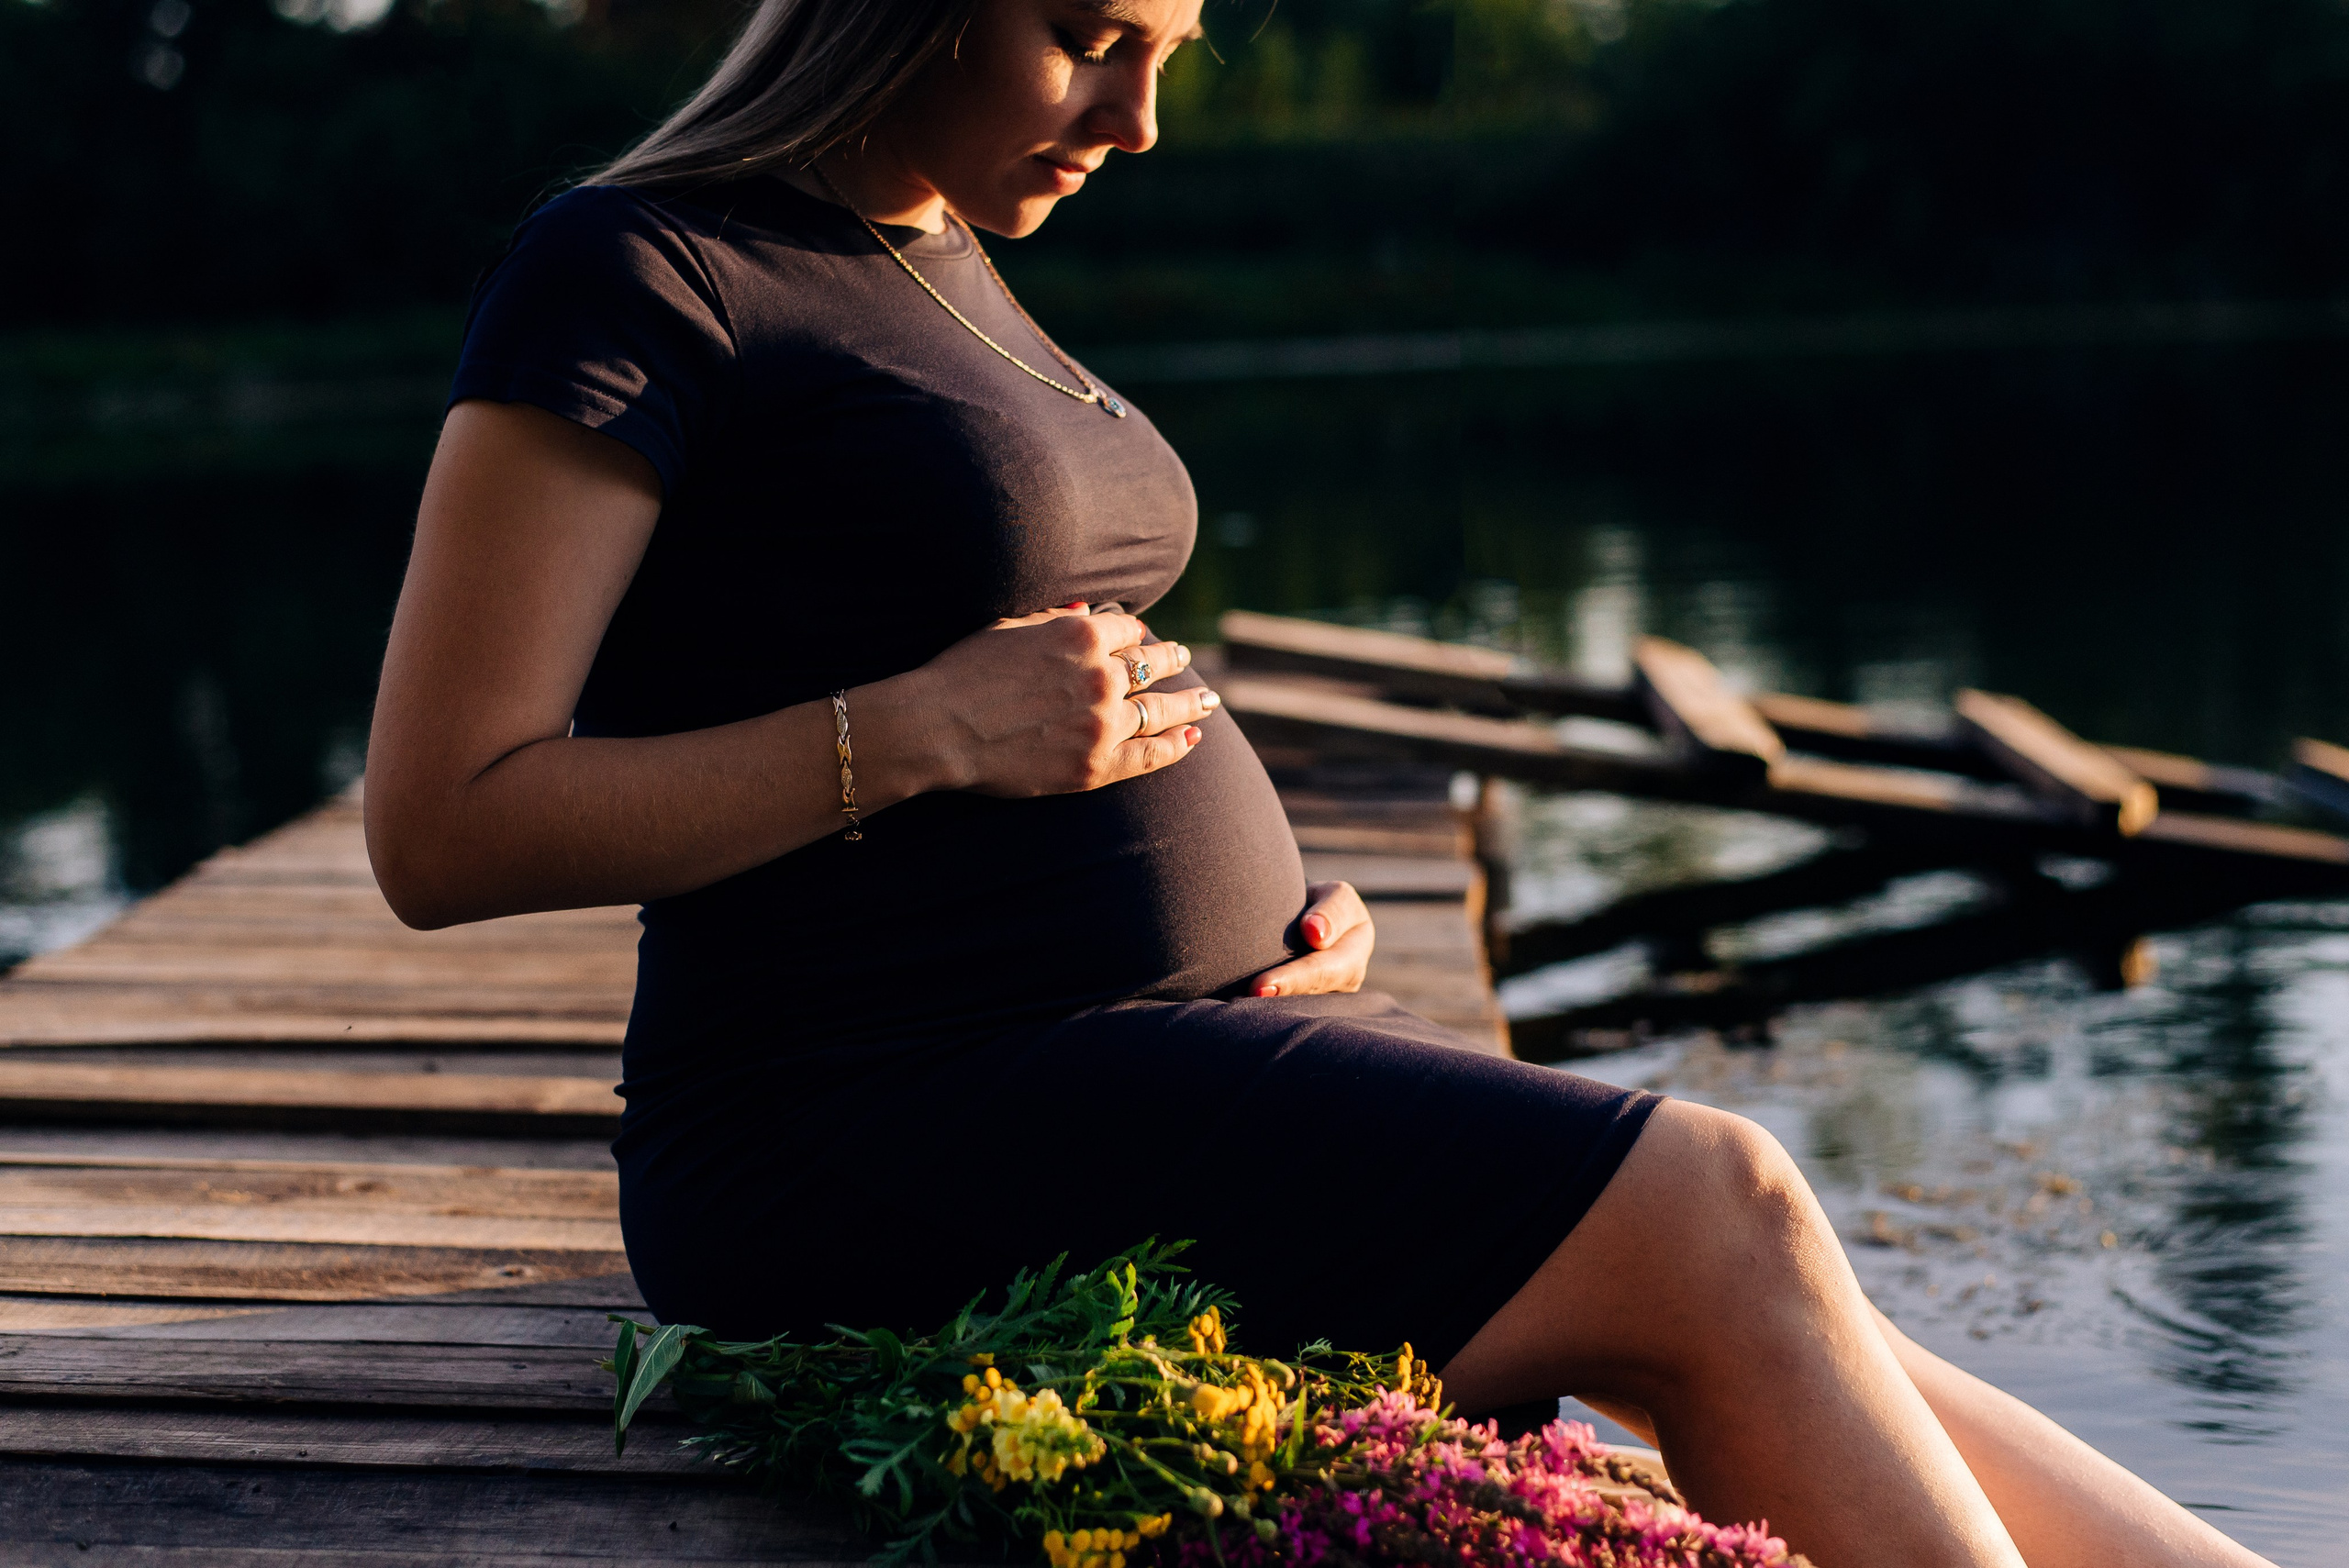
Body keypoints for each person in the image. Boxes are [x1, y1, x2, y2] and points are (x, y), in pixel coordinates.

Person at [361, 0, 2273, 1562]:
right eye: (1087, 38)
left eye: (1167, 54)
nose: (1136, 118)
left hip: (1094, 1054)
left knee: (1787, 1298)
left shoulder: (938, 247)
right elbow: (442, 822)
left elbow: (1037, 668)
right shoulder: (633, 268)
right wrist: (932, 728)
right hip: (843, 1132)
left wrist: (1247, 921)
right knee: (1713, 1207)